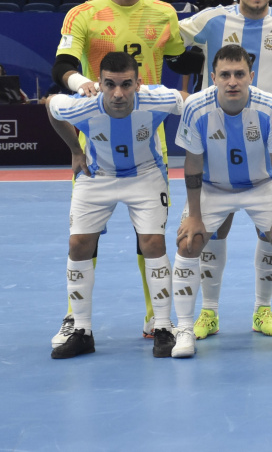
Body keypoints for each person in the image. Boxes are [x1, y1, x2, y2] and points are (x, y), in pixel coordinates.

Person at [50, 0, 203, 347]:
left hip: (147, 136)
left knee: (149, 237)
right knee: (84, 236)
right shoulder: (84, 14)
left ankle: (158, 317)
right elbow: (62, 64)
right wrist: (81, 84)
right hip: (96, 138)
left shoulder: (163, 13)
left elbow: (179, 59)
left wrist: (211, 40)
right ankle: (75, 318)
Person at [177, 0, 272, 341]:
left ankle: (263, 310)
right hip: (216, 149)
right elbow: (167, 36)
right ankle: (208, 314)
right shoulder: (211, 20)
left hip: (267, 154)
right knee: (209, 235)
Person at [170, 44, 272, 357]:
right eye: (225, 75)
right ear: (213, 77)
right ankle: (191, 326)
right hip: (213, 186)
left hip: (261, 185)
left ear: (251, 76)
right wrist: (193, 214)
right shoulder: (196, 108)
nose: (233, 81)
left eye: (239, 74)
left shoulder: (270, 106)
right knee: (189, 242)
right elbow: (192, 163)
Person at [47, 52, 183, 359]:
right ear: (100, 83)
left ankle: (163, 327)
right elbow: (52, 107)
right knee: (79, 244)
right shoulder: (82, 104)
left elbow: (188, 101)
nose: (118, 93)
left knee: (152, 243)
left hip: (146, 175)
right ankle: (82, 331)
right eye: (110, 84)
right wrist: (74, 150)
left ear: (138, 83)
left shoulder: (155, 99)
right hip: (98, 176)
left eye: (126, 85)